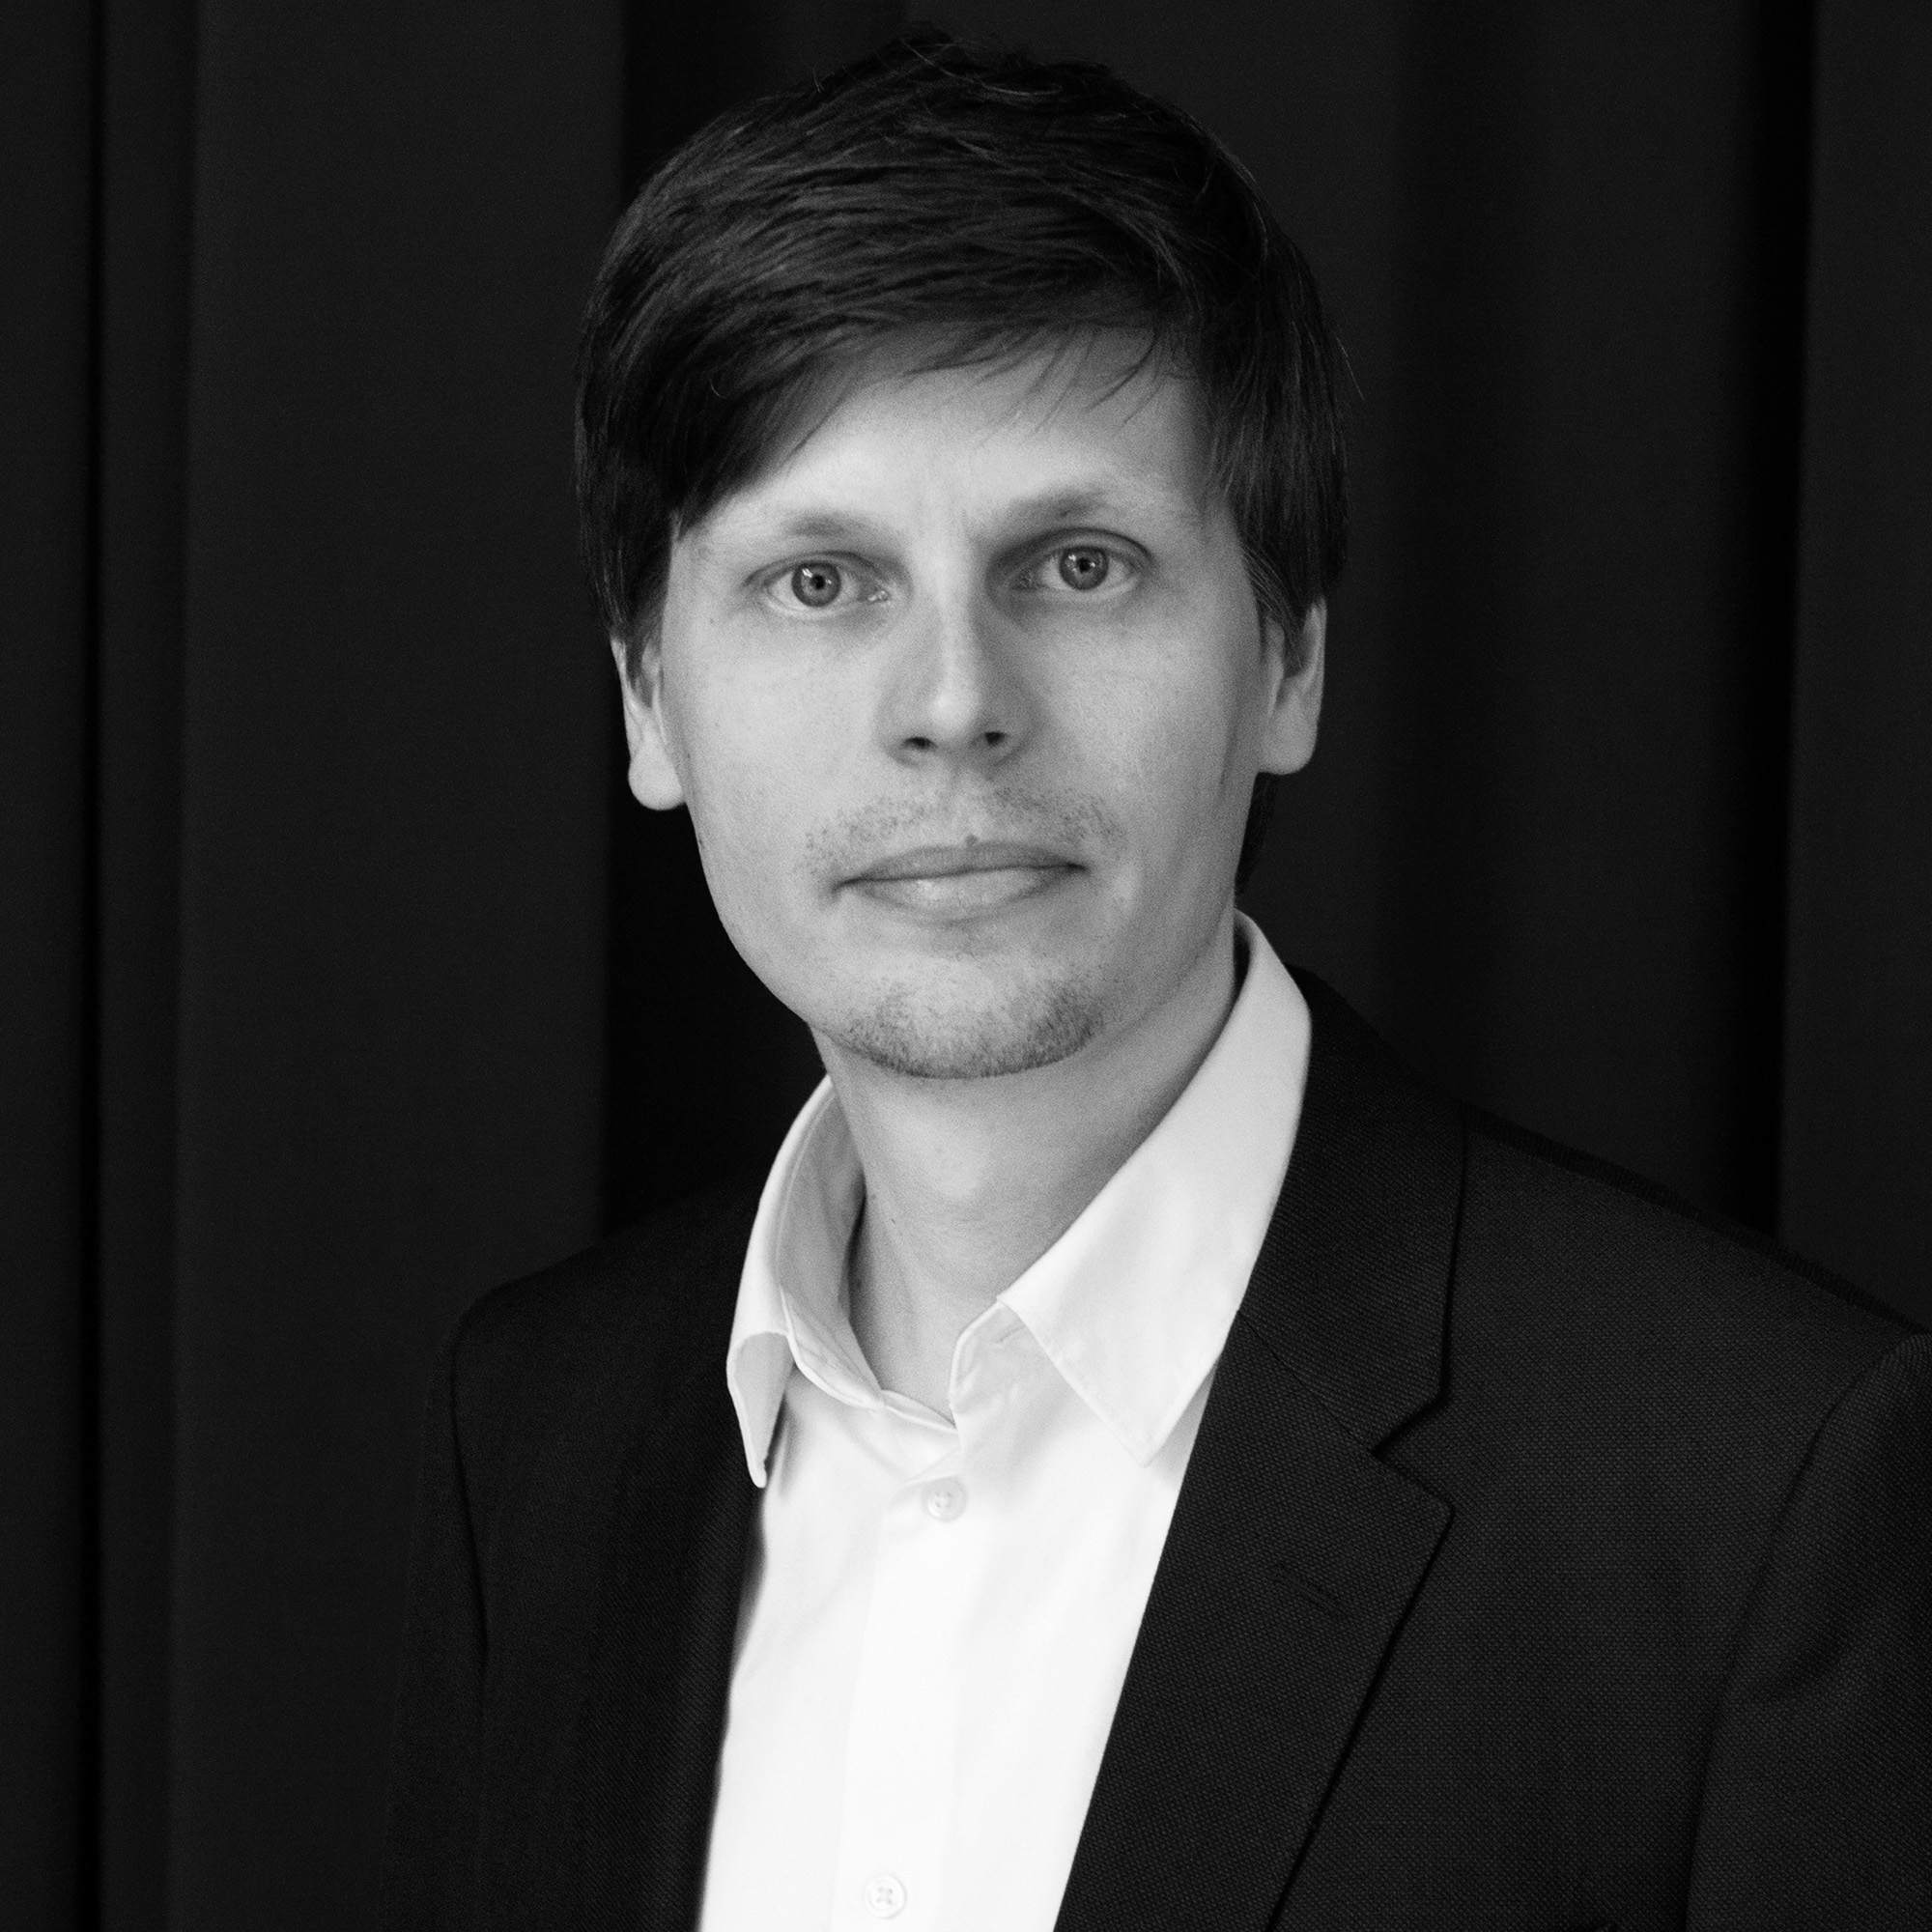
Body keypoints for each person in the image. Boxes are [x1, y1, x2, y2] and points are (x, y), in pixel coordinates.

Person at [380, 35, 1931, 1932]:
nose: (953, 701)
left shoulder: (1762, 1493)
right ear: (647, 701)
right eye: (819, 581)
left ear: (1288, 658)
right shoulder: (540, 1429)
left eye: (1080, 564)